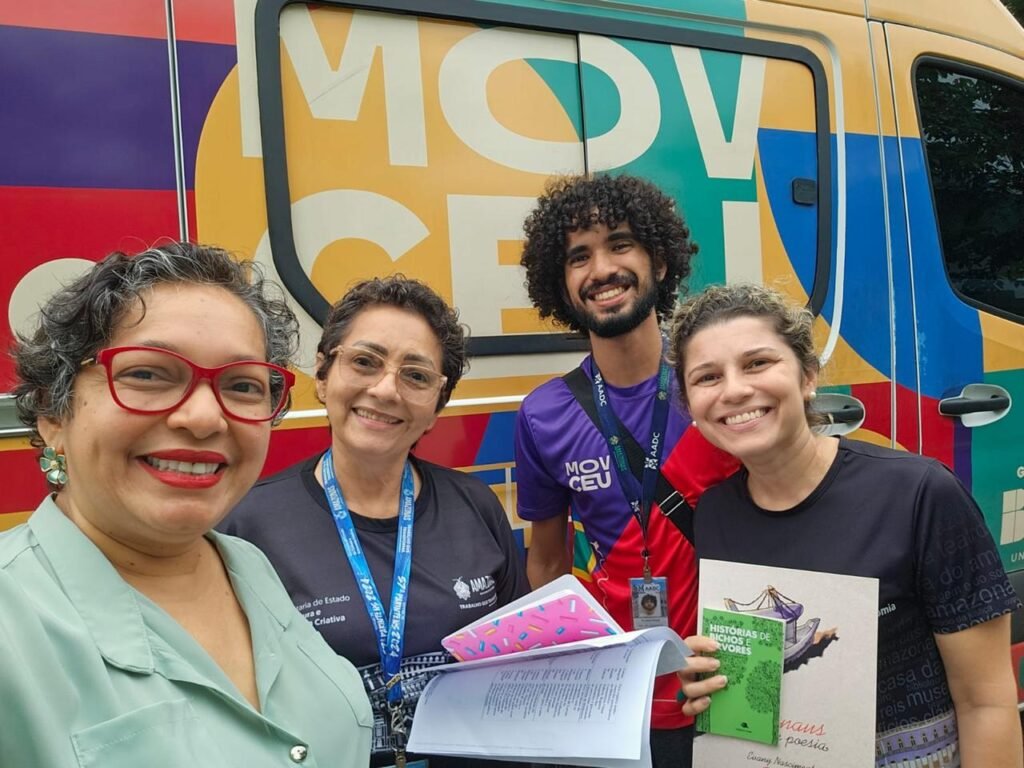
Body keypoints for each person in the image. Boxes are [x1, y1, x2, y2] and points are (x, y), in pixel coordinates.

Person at [1, 243, 372, 767]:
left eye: (242, 385)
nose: (203, 418)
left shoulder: (247, 566)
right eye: (147, 374)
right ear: (53, 413)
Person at [669, 282, 1023, 766]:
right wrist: (712, 683)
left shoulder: (920, 494)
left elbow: (986, 704)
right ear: (690, 404)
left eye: (757, 363)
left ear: (808, 375)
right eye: (708, 377)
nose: (734, 390)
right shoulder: (713, 515)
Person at [222, 275, 530, 768]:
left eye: (416, 376)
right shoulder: (246, 525)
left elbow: (521, 666)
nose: (386, 389)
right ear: (323, 375)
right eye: (365, 362)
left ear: (436, 407)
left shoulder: (475, 505)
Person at [514, 173, 739, 766]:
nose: (602, 269)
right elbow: (547, 563)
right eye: (579, 256)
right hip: (617, 696)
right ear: (562, 283)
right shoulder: (542, 414)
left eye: (620, 245)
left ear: (658, 262)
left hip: (725, 681)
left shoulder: (715, 389)